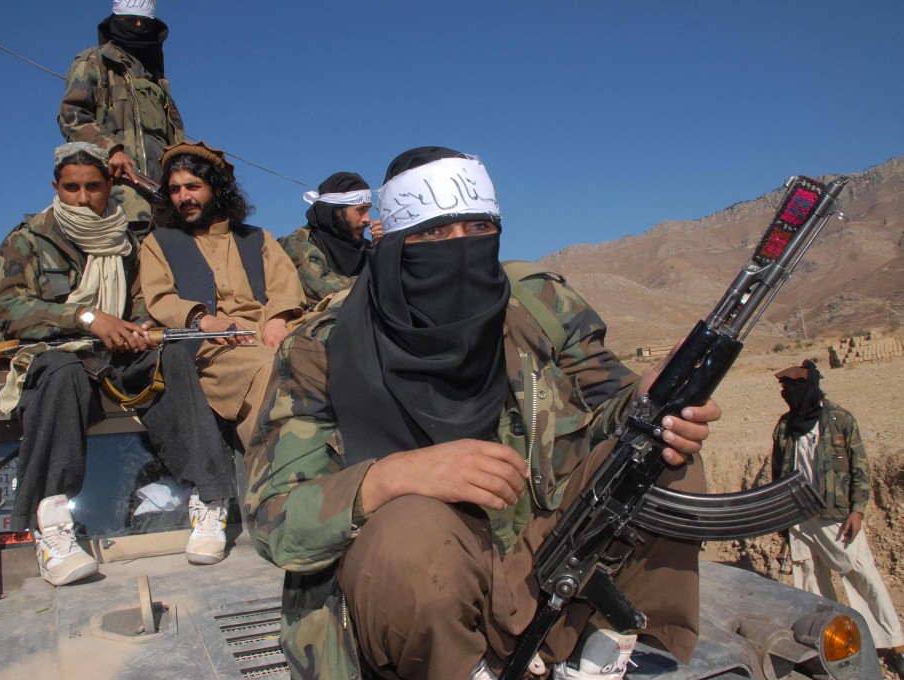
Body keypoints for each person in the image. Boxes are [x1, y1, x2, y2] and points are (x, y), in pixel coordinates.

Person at [244, 147, 720, 680]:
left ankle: (631, 653)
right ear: (395, 241)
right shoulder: (323, 347)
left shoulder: (537, 307)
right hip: (410, 608)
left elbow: (607, 409)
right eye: (433, 233)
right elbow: (273, 521)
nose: (461, 247)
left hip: (540, 564)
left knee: (657, 443)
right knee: (410, 526)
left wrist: (645, 401)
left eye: (478, 225)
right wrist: (393, 477)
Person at [0, 142, 238, 586]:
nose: (83, 198)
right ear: (55, 187)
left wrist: (138, 324)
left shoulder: (126, 240)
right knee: (59, 378)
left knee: (174, 362)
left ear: (109, 186)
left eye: (93, 187)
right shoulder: (26, 240)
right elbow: (8, 307)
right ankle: (53, 530)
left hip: (119, 353)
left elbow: (142, 298)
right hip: (61, 354)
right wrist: (85, 317)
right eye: (71, 188)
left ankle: (210, 502)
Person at [140, 141, 304, 448]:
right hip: (208, 349)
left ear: (216, 188)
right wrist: (204, 321)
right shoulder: (159, 242)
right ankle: (273, 471)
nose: (184, 197)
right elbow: (160, 299)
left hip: (269, 335)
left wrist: (277, 320)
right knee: (267, 369)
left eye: (193, 186)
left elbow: (284, 285)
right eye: (175, 190)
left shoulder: (257, 238)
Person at [772, 360, 904, 677]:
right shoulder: (785, 427)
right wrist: (779, 519)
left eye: (792, 388)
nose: (786, 393)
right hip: (799, 515)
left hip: (835, 515)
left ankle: (895, 646)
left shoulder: (839, 419)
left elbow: (861, 468)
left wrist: (857, 510)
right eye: (784, 389)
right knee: (809, 581)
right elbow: (778, 474)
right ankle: (827, 644)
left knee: (862, 575)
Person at [58, 0, 184, 239]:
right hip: (115, 201)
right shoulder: (94, 62)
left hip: (163, 205)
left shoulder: (156, 82)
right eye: (129, 21)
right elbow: (71, 115)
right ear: (116, 21)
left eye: (143, 22)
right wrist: (110, 149)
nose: (137, 26)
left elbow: (174, 139)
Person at [278, 172, 373, 306]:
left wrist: (385, 249)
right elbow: (320, 287)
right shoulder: (298, 243)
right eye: (360, 210)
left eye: (368, 209)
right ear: (336, 212)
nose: (367, 219)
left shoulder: (369, 248)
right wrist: (377, 280)